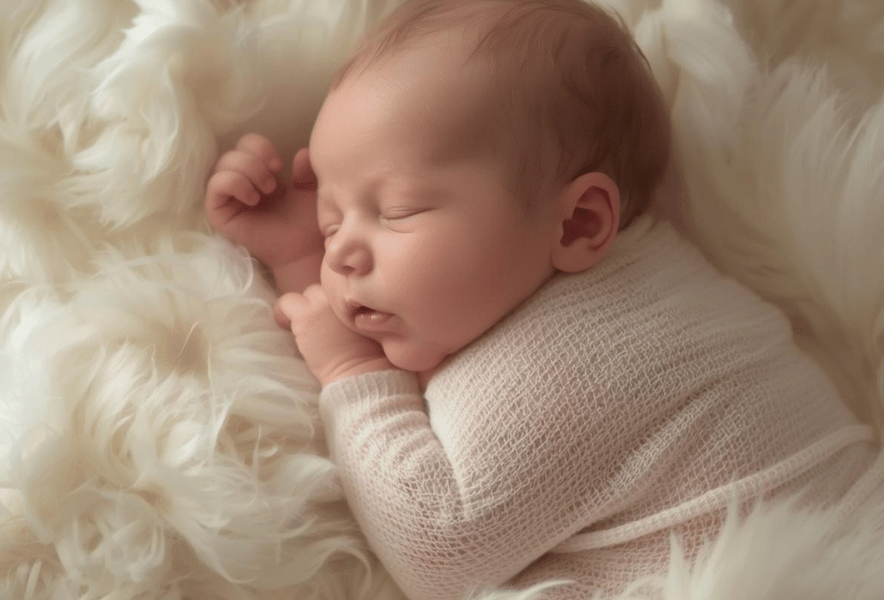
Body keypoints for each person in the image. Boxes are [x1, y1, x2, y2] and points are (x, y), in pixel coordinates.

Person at [204, 0, 883, 598]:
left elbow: (440, 546)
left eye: (398, 210)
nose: (344, 255)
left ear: (580, 223)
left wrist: (353, 374)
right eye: (332, 219)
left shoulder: (584, 359)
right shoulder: (564, 285)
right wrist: (300, 256)